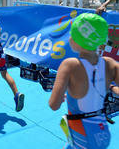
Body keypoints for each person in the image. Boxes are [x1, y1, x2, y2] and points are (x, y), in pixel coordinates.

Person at [49, 13, 119, 149]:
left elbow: (53, 105)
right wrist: (110, 88)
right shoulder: (111, 64)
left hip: (82, 134)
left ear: (75, 41)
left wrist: (64, 96)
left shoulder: (70, 65)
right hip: (102, 131)